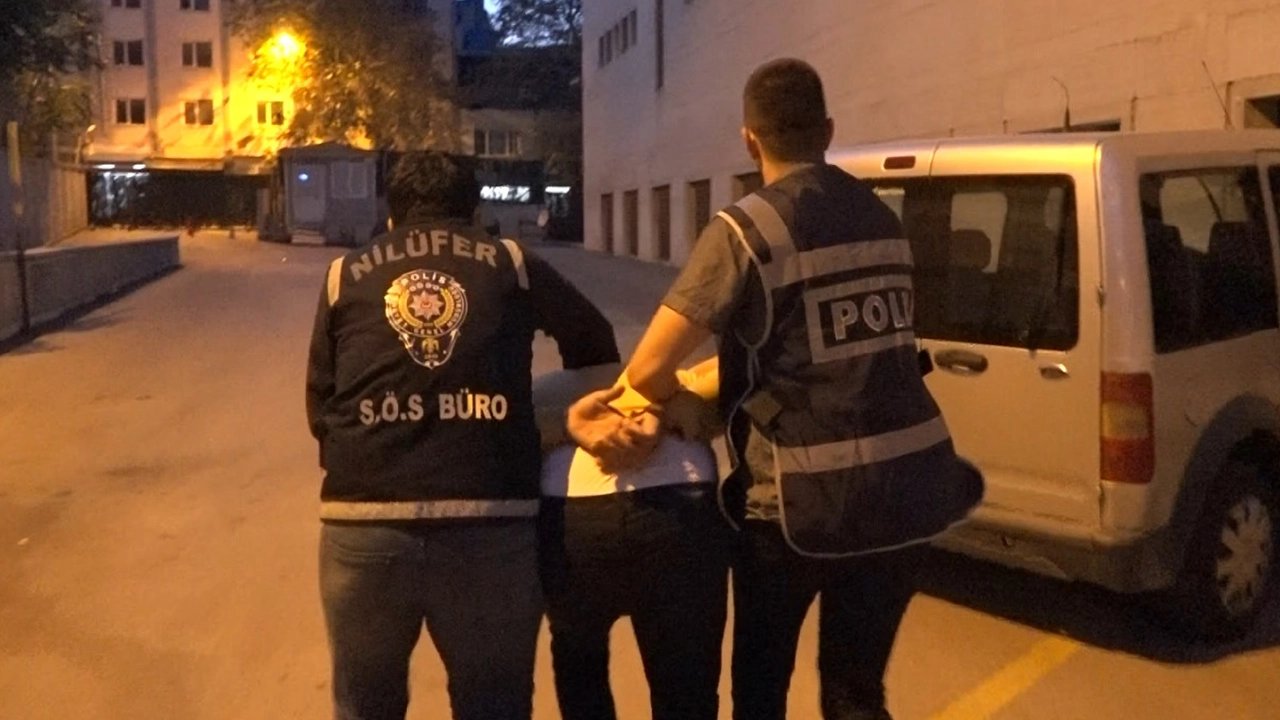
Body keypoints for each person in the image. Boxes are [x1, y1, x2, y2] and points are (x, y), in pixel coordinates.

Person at [568, 59, 982, 720]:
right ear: (828, 130)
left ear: (749, 140)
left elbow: (647, 370)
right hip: (907, 491)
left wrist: (678, 404)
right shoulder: (882, 217)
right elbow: (829, 348)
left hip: (795, 505)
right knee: (857, 693)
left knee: (761, 692)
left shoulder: (747, 228)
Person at [305, 150, 620, 720]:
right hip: (491, 525)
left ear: (391, 216)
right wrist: (534, 421)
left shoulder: (342, 275)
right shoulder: (511, 262)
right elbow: (595, 345)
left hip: (363, 526)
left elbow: (321, 408)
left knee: (365, 707)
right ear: (475, 213)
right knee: (493, 706)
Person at [533, 359, 730, 720]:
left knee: (580, 670)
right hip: (679, 502)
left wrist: (565, 423)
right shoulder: (680, 380)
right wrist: (664, 407)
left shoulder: (542, 390)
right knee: (688, 687)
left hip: (571, 512)